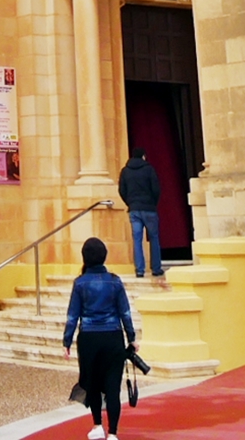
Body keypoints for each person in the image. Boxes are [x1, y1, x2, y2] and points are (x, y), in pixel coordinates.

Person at [62, 236, 134, 440]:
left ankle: (97, 424)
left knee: (92, 382)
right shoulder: (115, 281)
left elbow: (72, 316)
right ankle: (113, 433)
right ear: (104, 256)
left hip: (89, 338)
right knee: (113, 385)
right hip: (113, 336)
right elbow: (125, 312)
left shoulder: (80, 283)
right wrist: (132, 337)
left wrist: (66, 341)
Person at [118, 148, 165, 282]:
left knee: (137, 240)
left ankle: (139, 270)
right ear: (143, 156)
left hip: (134, 209)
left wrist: (130, 203)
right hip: (149, 208)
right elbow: (156, 189)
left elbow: (122, 190)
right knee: (154, 238)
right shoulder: (149, 169)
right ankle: (156, 268)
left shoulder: (125, 171)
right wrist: (153, 203)